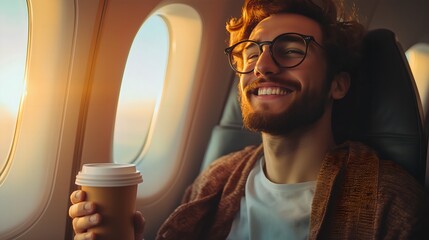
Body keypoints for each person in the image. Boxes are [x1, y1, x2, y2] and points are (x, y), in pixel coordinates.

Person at [69, 0, 429, 239]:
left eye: (290, 50)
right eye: (251, 53)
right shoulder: (215, 180)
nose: (262, 66)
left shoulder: (392, 203)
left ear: (337, 84)